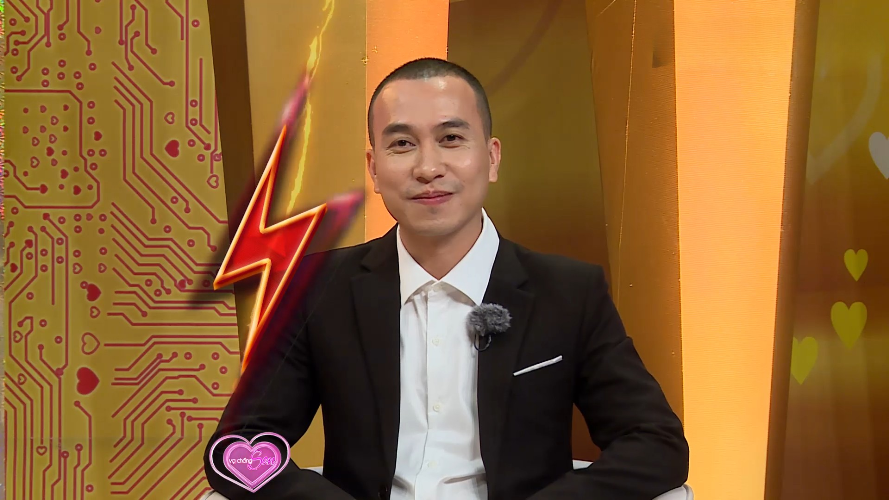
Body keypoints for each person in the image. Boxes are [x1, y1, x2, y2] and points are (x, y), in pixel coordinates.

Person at [204, 57, 688, 500]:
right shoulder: (317, 286)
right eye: (401, 144)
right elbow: (235, 449)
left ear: (492, 157)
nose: (428, 168)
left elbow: (656, 444)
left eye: (451, 138)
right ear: (374, 169)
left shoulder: (567, 292)